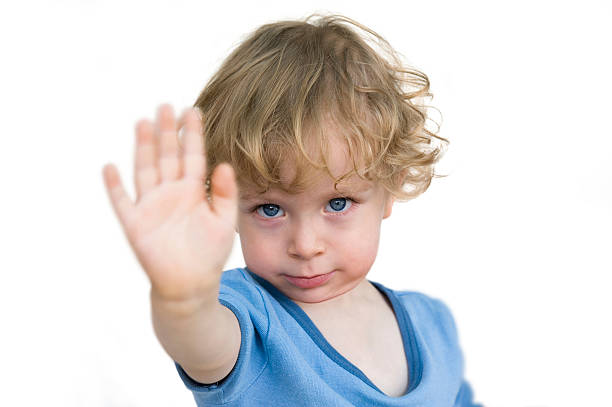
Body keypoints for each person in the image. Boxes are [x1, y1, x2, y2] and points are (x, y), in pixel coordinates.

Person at [102, 13, 481, 407]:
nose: (305, 245)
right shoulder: (245, 317)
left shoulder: (433, 324)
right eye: (270, 209)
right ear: (226, 203)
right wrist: (183, 300)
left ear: (390, 187)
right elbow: (200, 345)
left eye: (337, 204)